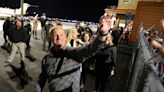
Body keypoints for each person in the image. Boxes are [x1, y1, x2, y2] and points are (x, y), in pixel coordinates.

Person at [35, 13, 112, 92]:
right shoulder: (46, 59)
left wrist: (102, 34)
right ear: (50, 38)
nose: (58, 38)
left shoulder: (73, 53)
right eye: (55, 35)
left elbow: (89, 49)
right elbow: (42, 79)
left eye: (61, 35)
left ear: (65, 37)